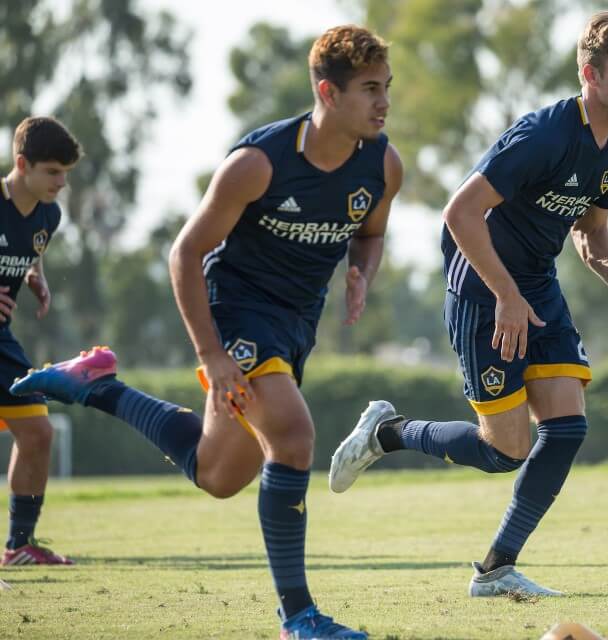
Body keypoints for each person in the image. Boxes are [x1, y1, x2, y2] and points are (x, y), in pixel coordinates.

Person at [12, 25, 400, 639]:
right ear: (328, 92)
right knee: (295, 439)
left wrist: (361, 270)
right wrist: (211, 354)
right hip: (237, 313)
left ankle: (97, 387)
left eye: (388, 88)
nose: (384, 102)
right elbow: (184, 253)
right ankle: (298, 618)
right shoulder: (258, 164)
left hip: (295, 327)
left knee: (219, 475)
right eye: (371, 89)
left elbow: (371, 232)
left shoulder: (383, 165)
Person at [328, 11, 608, 597]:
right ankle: (388, 433)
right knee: (504, 450)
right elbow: (458, 213)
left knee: (566, 427)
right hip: (482, 286)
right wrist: (505, 294)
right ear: (591, 74)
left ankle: (495, 569)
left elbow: (590, 230)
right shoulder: (545, 134)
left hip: (536, 286)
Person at [0, 116, 81, 567]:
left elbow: (29, 251)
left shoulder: (49, 215)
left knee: (38, 432)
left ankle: (18, 546)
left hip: (1, 340)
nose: (61, 182)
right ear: (22, 164)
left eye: (65, 172)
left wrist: (36, 277)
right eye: (52, 171)